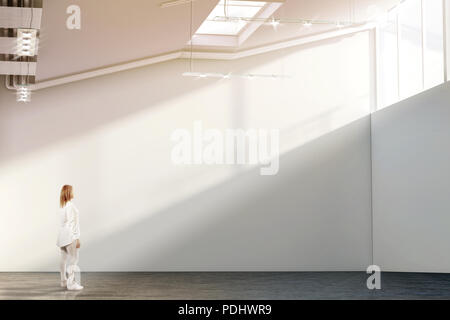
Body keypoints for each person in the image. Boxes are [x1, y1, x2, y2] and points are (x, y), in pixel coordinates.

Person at [56, 185, 83, 291]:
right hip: (69, 235)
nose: (74, 192)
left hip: (61, 236)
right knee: (74, 258)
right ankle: (71, 283)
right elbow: (72, 223)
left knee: (63, 258)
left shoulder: (62, 206)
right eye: (72, 190)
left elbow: (64, 223)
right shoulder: (70, 205)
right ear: (69, 192)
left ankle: (63, 281)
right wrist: (76, 238)